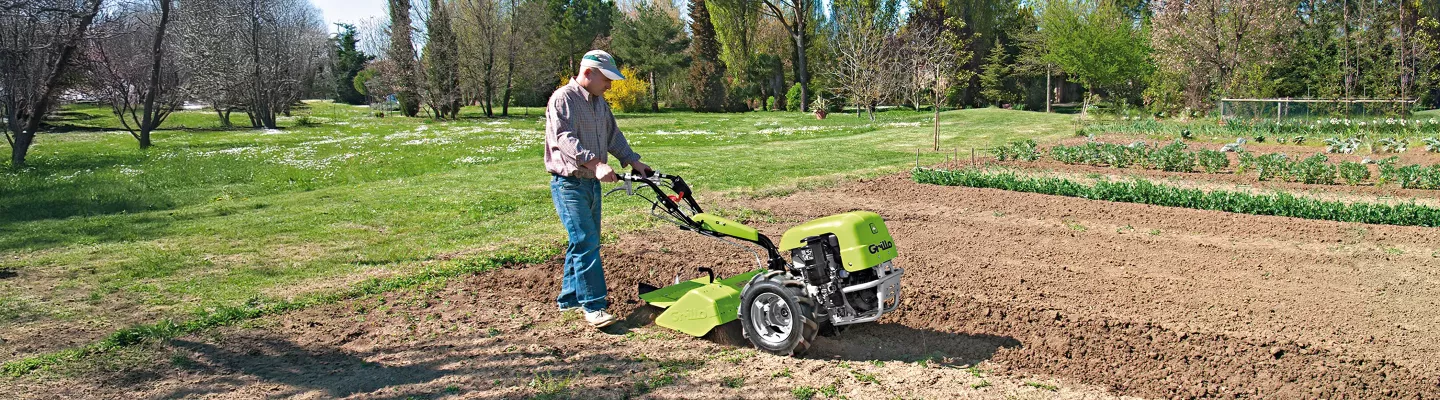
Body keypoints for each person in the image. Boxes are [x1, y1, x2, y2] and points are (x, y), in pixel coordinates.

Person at [545, 50, 651, 328]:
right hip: (569, 184)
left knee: (583, 241)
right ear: (589, 73)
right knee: (586, 242)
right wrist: (596, 164)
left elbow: (613, 135)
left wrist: (632, 160)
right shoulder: (562, 99)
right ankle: (594, 306)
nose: (610, 85)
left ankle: (569, 298)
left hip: (591, 184)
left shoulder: (599, 103)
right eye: (607, 79)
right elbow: (564, 139)